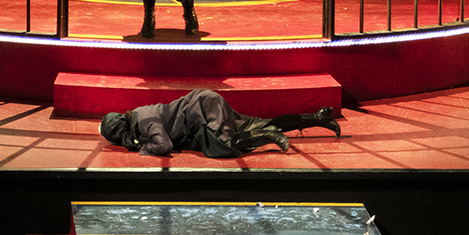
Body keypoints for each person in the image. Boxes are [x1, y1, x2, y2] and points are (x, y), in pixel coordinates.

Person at [98, 89, 342, 158]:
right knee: (253, 124)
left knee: (221, 146)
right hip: (204, 102)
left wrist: (143, 148)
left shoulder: (144, 122)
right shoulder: (139, 115)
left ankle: (267, 136)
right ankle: (317, 117)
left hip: (199, 113)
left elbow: (164, 145)